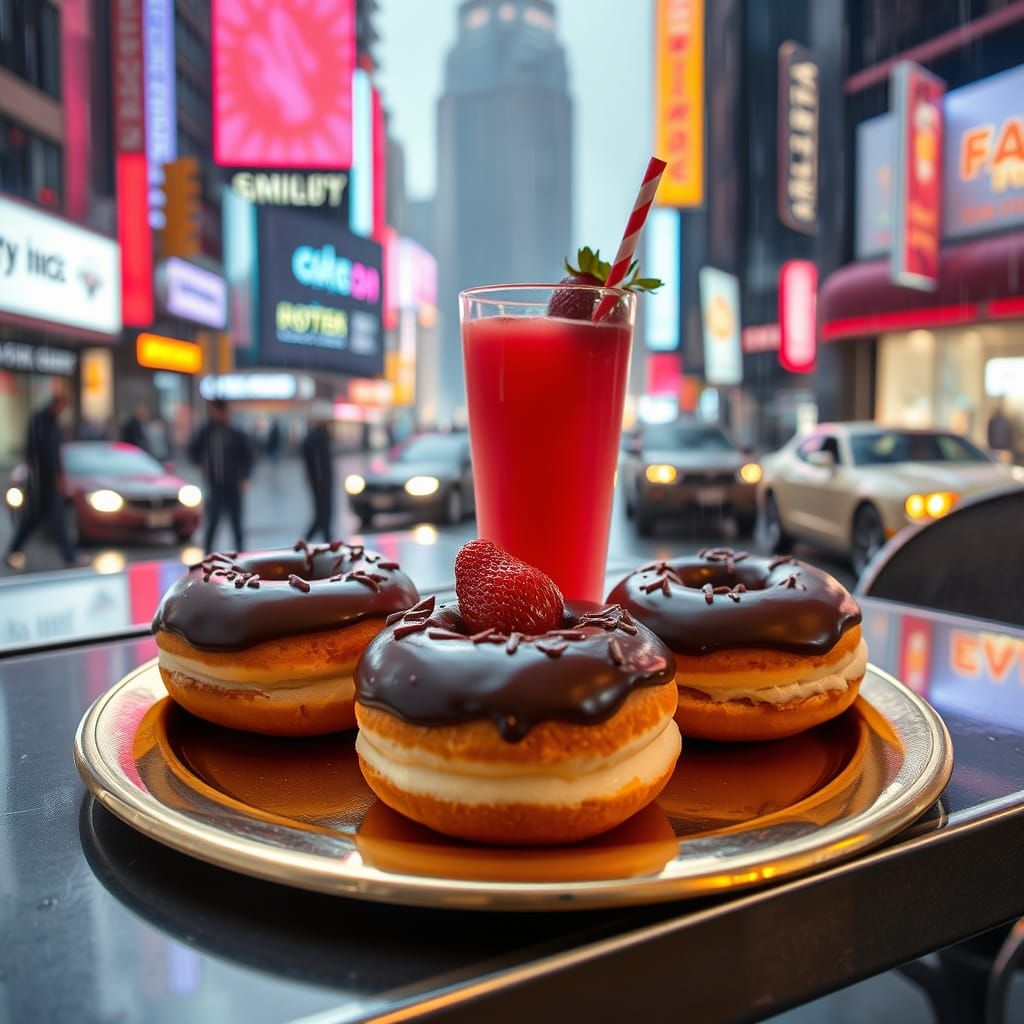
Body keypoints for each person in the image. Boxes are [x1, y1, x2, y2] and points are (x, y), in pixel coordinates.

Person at [4, 392, 80, 570]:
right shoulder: (40, 422)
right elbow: (37, 455)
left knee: (43, 519)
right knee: (39, 519)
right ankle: (68, 557)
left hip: (49, 482)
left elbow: (55, 455)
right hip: (40, 483)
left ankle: (68, 556)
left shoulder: (52, 423)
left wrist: (60, 476)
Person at [188, 399, 252, 553]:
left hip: (233, 485)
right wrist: (199, 465)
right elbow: (192, 450)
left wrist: (245, 476)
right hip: (215, 485)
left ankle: (241, 556)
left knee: (236, 524)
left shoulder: (234, 432)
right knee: (212, 523)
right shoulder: (206, 432)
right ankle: (208, 557)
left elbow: (248, 456)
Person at [301, 404, 335, 541]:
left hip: (322, 481)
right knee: (322, 516)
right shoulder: (317, 436)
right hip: (321, 482)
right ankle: (307, 543)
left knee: (324, 516)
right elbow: (314, 461)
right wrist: (315, 478)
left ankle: (327, 542)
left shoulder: (320, 435)